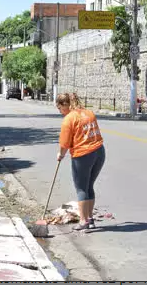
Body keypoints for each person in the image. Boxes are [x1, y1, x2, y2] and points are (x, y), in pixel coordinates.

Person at [56, 93, 105, 231]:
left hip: (83, 155)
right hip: (99, 152)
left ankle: (83, 221)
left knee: (81, 188)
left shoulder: (69, 119)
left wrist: (60, 155)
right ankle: (90, 219)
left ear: (65, 105)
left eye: (59, 108)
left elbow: (64, 144)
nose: (60, 112)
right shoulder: (88, 113)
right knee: (89, 186)